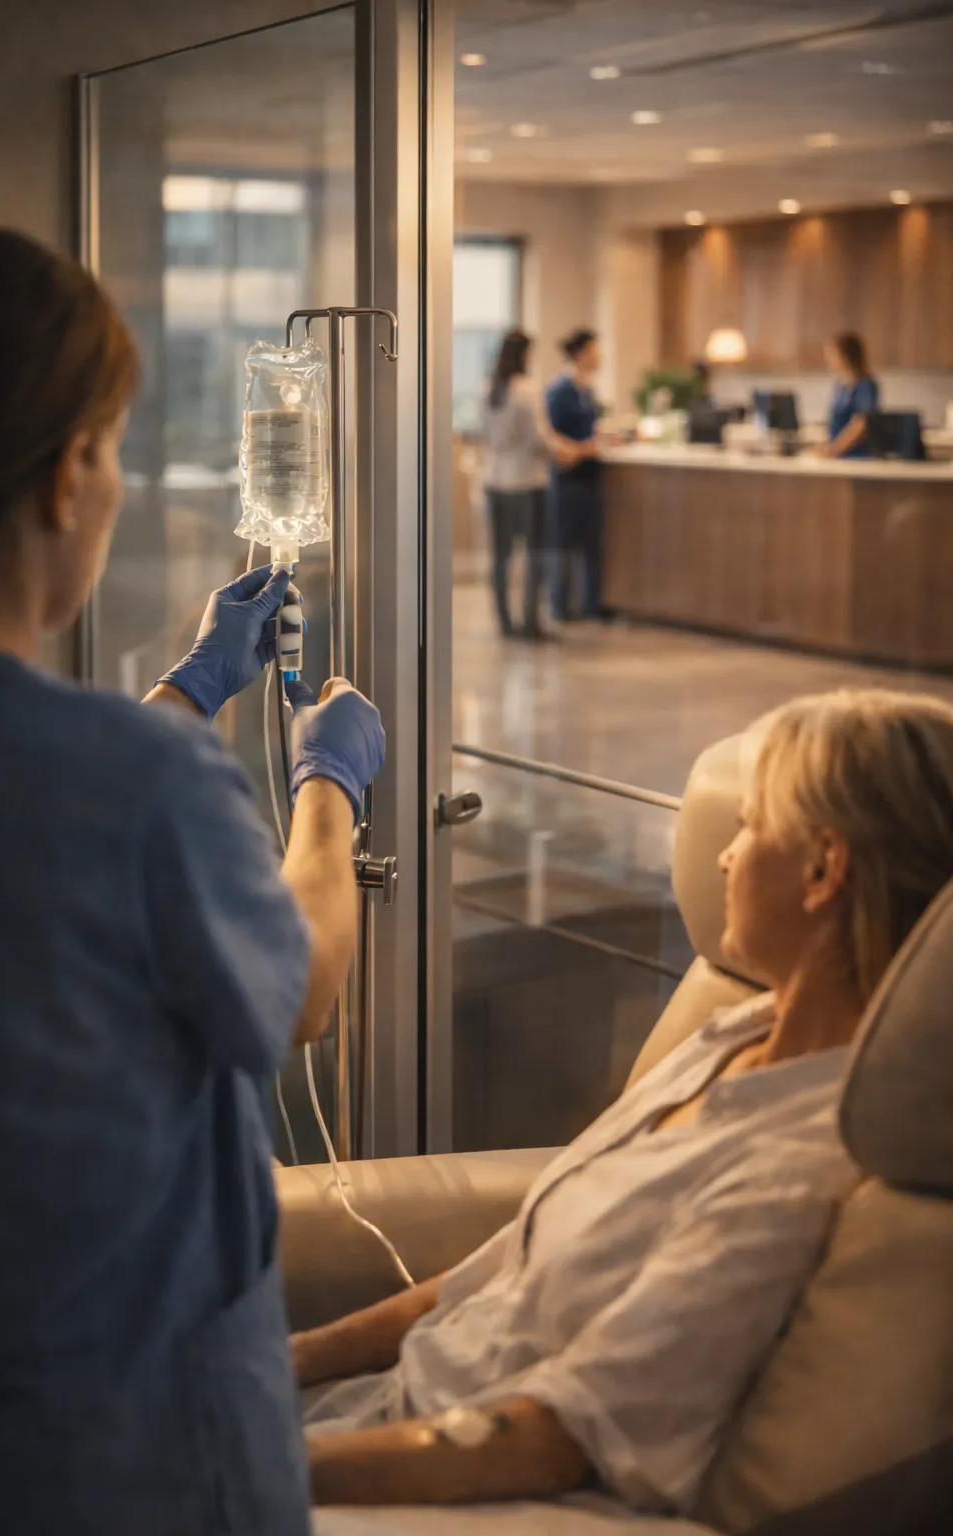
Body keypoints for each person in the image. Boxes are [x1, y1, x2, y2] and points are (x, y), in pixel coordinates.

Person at [0, 214, 384, 1533]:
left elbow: (26, 818)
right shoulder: (139, 790)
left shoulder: (115, 773)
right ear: (68, 476)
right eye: (116, 449)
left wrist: (184, 693)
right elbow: (299, 992)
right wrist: (327, 790)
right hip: (136, 1458)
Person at [295, 689, 953, 1516]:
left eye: (750, 827)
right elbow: (504, 1262)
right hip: (379, 1410)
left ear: (825, 869)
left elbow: (552, 1433)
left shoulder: (796, 1168)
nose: (723, 856)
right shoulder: (737, 1034)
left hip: (442, 1489)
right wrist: (290, 1358)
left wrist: (251, 1465)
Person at [478, 330, 564, 640]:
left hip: (494, 480)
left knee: (501, 556)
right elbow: (540, 438)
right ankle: (530, 621)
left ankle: (504, 621)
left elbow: (485, 435)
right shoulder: (527, 390)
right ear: (525, 354)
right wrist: (563, 452)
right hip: (528, 481)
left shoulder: (488, 389)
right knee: (534, 553)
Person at [546, 330, 605, 622]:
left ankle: (590, 605)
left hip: (589, 476)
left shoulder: (588, 390)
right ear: (581, 353)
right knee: (564, 542)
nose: (600, 356)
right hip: (567, 478)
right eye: (595, 350)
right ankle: (560, 605)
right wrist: (582, 450)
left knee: (590, 542)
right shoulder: (560, 390)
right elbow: (552, 436)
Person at [821, 331, 879, 459]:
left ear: (845, 357)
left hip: (858, 457)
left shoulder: (865, 386)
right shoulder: (840, 386)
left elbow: (860, 425)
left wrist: (833, 449)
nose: (827, 359)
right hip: (840, 455)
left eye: (832, 355)